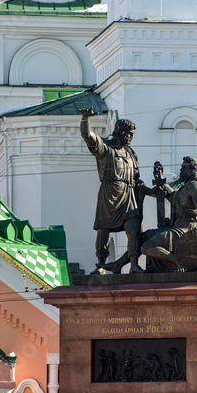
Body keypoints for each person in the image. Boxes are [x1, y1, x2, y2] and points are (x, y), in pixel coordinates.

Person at [80, 108, 144, 273]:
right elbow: (87, 136)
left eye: (132, 135)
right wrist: (85, 118)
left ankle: (134, 264)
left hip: (128, 194)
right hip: (109, 194)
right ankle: (101, 265)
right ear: (120, 132)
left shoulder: (130, 153)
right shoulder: (105, 148)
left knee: (133, 229)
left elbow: (136, 178)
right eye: (129, 134)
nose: (131, 138)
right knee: (103, 231)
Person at [141, 156, 197, 272]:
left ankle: (177, 260)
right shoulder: (184, 188)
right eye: (181, 167)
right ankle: (123, 265)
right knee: (140, 237)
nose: (181, 170)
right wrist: (160, 180)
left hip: (185, 229)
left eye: (184, 168)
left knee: (146, 247)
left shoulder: (194, 187)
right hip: (175, 228)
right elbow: (173, 197)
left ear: (192, 171)